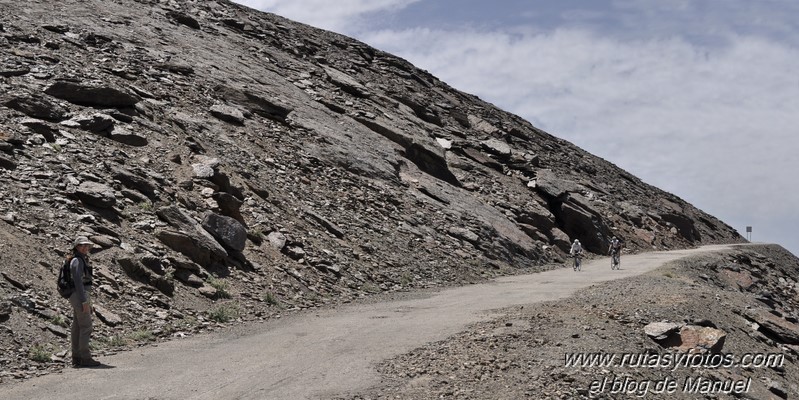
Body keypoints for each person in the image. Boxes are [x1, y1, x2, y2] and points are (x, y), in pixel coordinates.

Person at [68, 236, 101, 367]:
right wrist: (84, 301)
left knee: (77, 326)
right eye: (82, 245)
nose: (85, 248)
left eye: (86, 245)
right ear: (76, 247)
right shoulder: (77, 261)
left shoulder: (76, 259)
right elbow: (78, 281)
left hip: (75, 295)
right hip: (79, 295)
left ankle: (76, 357)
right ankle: (85, 358)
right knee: (86, 327)